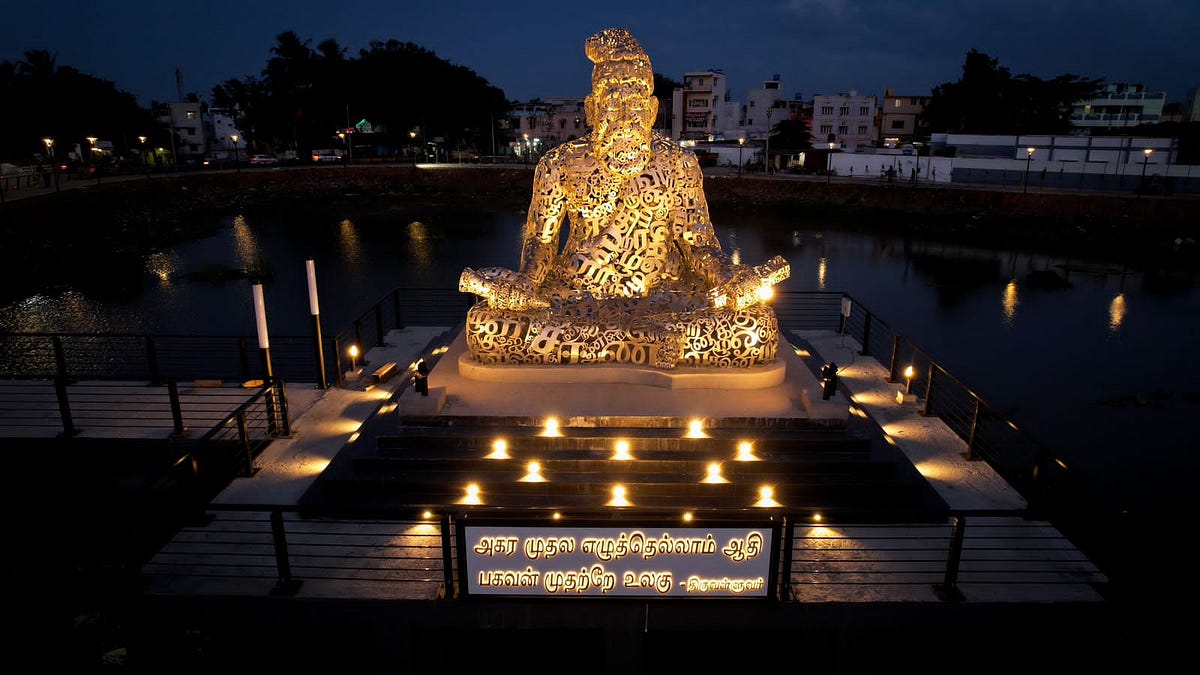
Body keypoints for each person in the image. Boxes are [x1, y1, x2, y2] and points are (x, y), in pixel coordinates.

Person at [459, 28, 788, 370]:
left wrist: (727, 276)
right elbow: (541, 243)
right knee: (487, 327)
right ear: (591, 109)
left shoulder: (678, 165)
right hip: (577, 294)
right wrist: (525, 283)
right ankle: (640, 342)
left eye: (634, 103)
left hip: (664, 294)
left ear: (651, 109)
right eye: (612, 102)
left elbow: (700, 245)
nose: (624, 116)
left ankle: (602, 345)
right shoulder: (559, 164)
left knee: (757, 328)